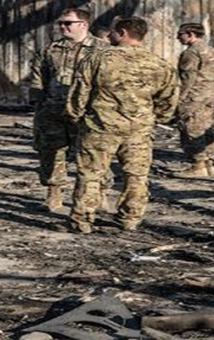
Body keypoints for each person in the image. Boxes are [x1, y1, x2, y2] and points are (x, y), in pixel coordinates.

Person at [65, 16, 177, 233]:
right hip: (139, 130)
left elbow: (80, 92)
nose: (110, 35)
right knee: (136, 175)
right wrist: (158, 118)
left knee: (90, 173)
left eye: (113, 32)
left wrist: (75, 116)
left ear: (123, 33)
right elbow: (169, 98)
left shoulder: (97, 58)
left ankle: (82, 220)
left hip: (100, 127)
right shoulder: (159, 63)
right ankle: (130, 218)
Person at [29, 8, 107, 212]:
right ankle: (54, 195)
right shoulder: (49, 50)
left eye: (68, 23)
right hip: (53, 112)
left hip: (87, 114)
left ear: (83, 25)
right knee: (51, 154)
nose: (63, 27)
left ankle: (99, 195)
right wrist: (39, 106)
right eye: (61, 23)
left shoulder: (102, 50)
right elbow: (39, 79)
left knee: (93, 156)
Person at [174, 23, 214, 178]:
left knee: (191, 127)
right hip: (210, 94)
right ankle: (209, 163)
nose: (177, 37)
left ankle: (198, 165)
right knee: (206, 127)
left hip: (194, 95)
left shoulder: (192, 53)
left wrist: (179, 98)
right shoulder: (213, 51)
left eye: (180, 34)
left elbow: (188, 78)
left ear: (190, 34)